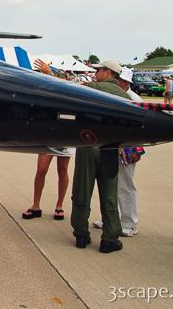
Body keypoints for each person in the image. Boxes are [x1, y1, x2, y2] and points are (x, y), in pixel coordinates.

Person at [71, 60, 129, 253]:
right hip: (110, 149)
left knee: (82, 191)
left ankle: (81, 234)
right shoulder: (124, 95)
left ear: (108, 72)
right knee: (109, 195)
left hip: (87, 145)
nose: (96, 73)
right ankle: (109, 239)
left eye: (98, 70)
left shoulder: (90, 88)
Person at [92, 67, 144, 237]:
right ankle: (110, 218)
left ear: (126, 82)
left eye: (122, 81)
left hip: (127, 149)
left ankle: (129, 223)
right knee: (109, 184)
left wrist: (137, 150)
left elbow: (141, 127)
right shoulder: (113, 95)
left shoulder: (134, 99)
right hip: (112, 147)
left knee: (125, 186)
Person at [21, 59, 73, 221]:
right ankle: (36, 205)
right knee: (41, 169)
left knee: (62, 170)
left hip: (64, 133)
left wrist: (50, 73)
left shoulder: (66, 83)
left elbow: (65, 89)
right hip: (49, 133)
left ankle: (59, 206)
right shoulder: (44, 86)